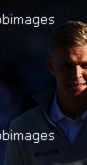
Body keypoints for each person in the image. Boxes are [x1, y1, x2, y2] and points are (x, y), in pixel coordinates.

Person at [5, 21, 87, 165]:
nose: (77, 74)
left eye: (85, 65)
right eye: (67, 66)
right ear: (50, 67)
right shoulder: (23, 128)